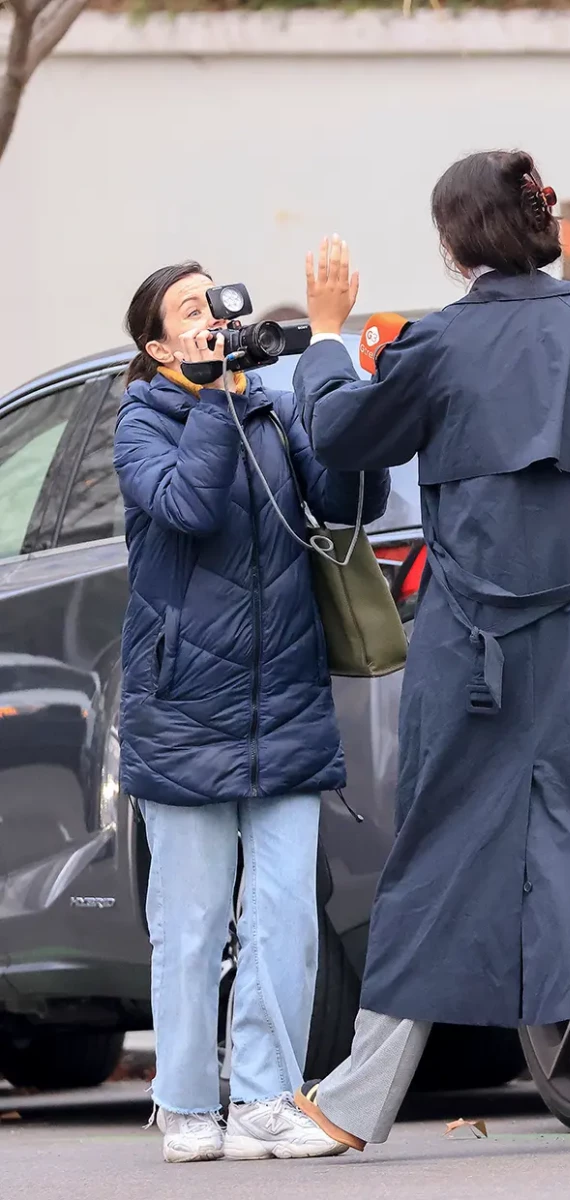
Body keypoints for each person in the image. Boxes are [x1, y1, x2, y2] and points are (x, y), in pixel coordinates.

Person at [290, 152, 570, 1155]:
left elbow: (342, 437)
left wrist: (327, 338)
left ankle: (356, 1101)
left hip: (473, 644)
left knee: (437, 852)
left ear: (453, 239)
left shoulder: (438, 343)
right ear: (541, 227)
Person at [113, 262, 389, 1163]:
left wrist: (339, 378)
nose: (212, 318)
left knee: (283, 913)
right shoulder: (142, 422)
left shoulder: (266, 406)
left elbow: (353, 505)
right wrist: (215, 397)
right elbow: (188, 504)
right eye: (190, 311)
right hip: (184, 706)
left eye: (214, 301)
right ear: (157, 347)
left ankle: (268, 1095)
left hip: (287, 700)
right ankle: (188, 1103)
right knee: (190, 921)